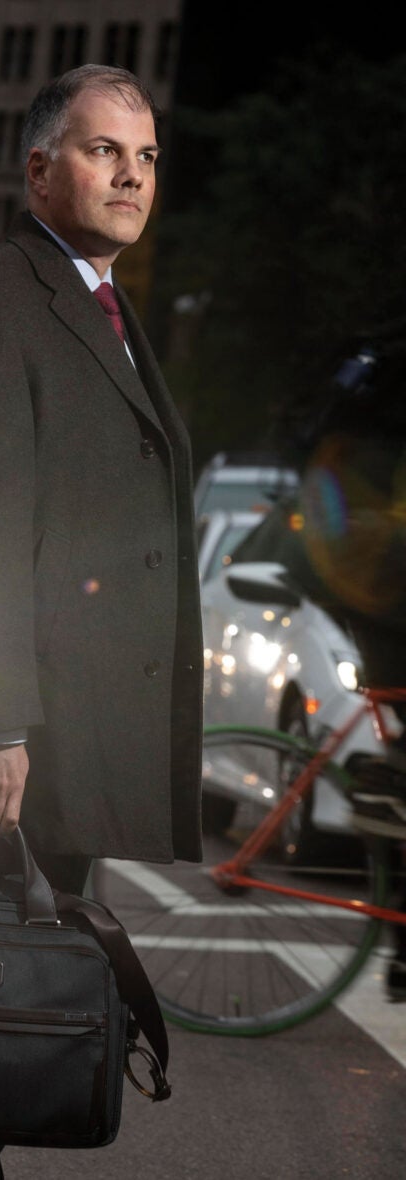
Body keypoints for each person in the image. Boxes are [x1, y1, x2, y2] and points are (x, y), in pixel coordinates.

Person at [0, 64, 204, 1179]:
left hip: (75, 726)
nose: (130, 174)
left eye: (146, 156)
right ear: (37, 169)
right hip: (28, 732)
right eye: (103, 149)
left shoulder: (100, 306)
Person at [277, 332, 406, 999]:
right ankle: (382, 782)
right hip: (366, 558)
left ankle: (386, 784)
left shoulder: (375, 368)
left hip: (349, 553)